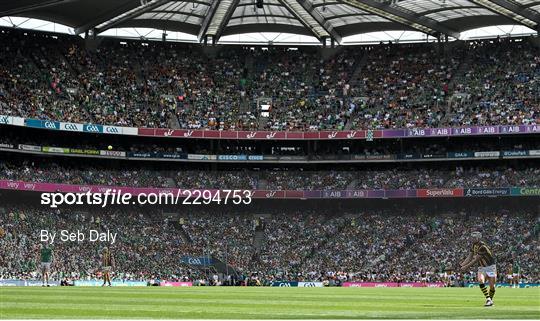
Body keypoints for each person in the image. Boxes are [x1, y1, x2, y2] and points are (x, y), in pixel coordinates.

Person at [459, 231, 497, 307]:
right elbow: (469, 257)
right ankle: (488, 299)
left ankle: (490, 300)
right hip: (481, 267)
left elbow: (476, 259)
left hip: (491, 267)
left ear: (478, 238)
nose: (472, 239)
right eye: (472, 237)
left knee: (492, 286)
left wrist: (466, 267)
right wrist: (461, 265)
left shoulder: (483, 246)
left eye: (474, 237)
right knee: (480, 280)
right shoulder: (473, 245)